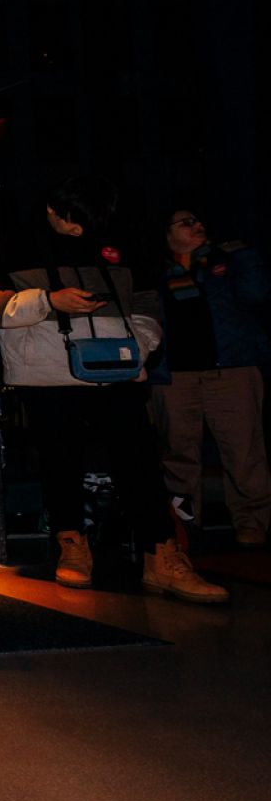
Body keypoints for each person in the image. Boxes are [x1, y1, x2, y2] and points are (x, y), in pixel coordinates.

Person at [0, 179, 225, 602]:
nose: (80, 230)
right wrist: (48, 300)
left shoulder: (117, 242)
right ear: (52, 208)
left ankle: (163, 557)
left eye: (89, 220)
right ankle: (73, 548)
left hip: (117, 370)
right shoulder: (13, 246)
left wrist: (138, 350)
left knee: (139, 459)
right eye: (72, 219)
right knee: (59, 460)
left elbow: (148, 306)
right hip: (47, 373)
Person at [152, 207, 271, 547]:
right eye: (186, 222)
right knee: (178, 454)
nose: (198, 225)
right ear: (166, 232)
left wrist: (244, 255)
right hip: (174, 376)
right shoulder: (154, 269)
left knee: (244, 451)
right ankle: (184, 525)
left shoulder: (227, 260)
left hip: (231, 369)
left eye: (199, 220)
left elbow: (257, 293)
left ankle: (252, 524)